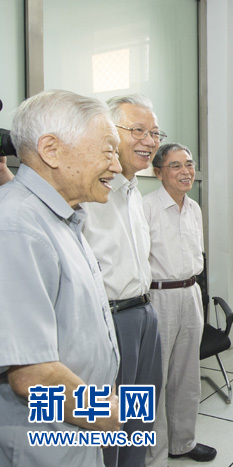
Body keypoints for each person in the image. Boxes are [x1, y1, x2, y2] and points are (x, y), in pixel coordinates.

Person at [0, 90, 121, 466]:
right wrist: (104, 416)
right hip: (47, 442)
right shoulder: (17, 227)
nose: (117, 166)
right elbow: (32, 373)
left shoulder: (60, 218)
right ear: (51, 150)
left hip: (73, 428)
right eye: (108, 151)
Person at [82, 94, 163, 467]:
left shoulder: (133, 191)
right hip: (109, 320)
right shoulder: (89, 193)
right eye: (138, 130)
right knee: (109, 421)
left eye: (155, 133)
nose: (149, 141)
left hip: (144, 314)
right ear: (109, 133)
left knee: (139, 417)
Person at [143, 143, 216, 464]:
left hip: (190, 292)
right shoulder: (145, 208)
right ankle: (154, 453)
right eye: (175, 165)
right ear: (158, 172)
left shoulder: (194, 208)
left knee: (187, 374)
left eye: (189, 164)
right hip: (158, 296)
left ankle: (182, 442)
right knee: (156, 378)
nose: (186, 171)